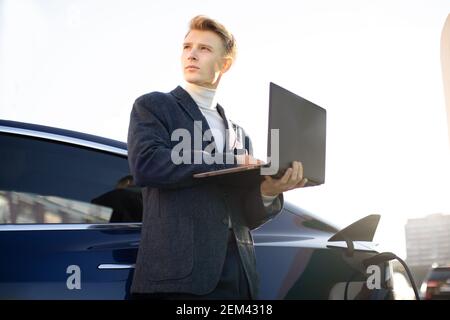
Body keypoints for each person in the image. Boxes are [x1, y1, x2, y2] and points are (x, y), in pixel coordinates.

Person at [127, 15, 308, 300]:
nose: (192, 54)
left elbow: (245, 216)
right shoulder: (154, 106)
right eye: (187, 47)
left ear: (225, 64)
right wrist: (230, 162)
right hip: (177, 279)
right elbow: (147, 164)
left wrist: (268, 191)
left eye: (204, 49)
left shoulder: (240, 134)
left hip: (238, 277)